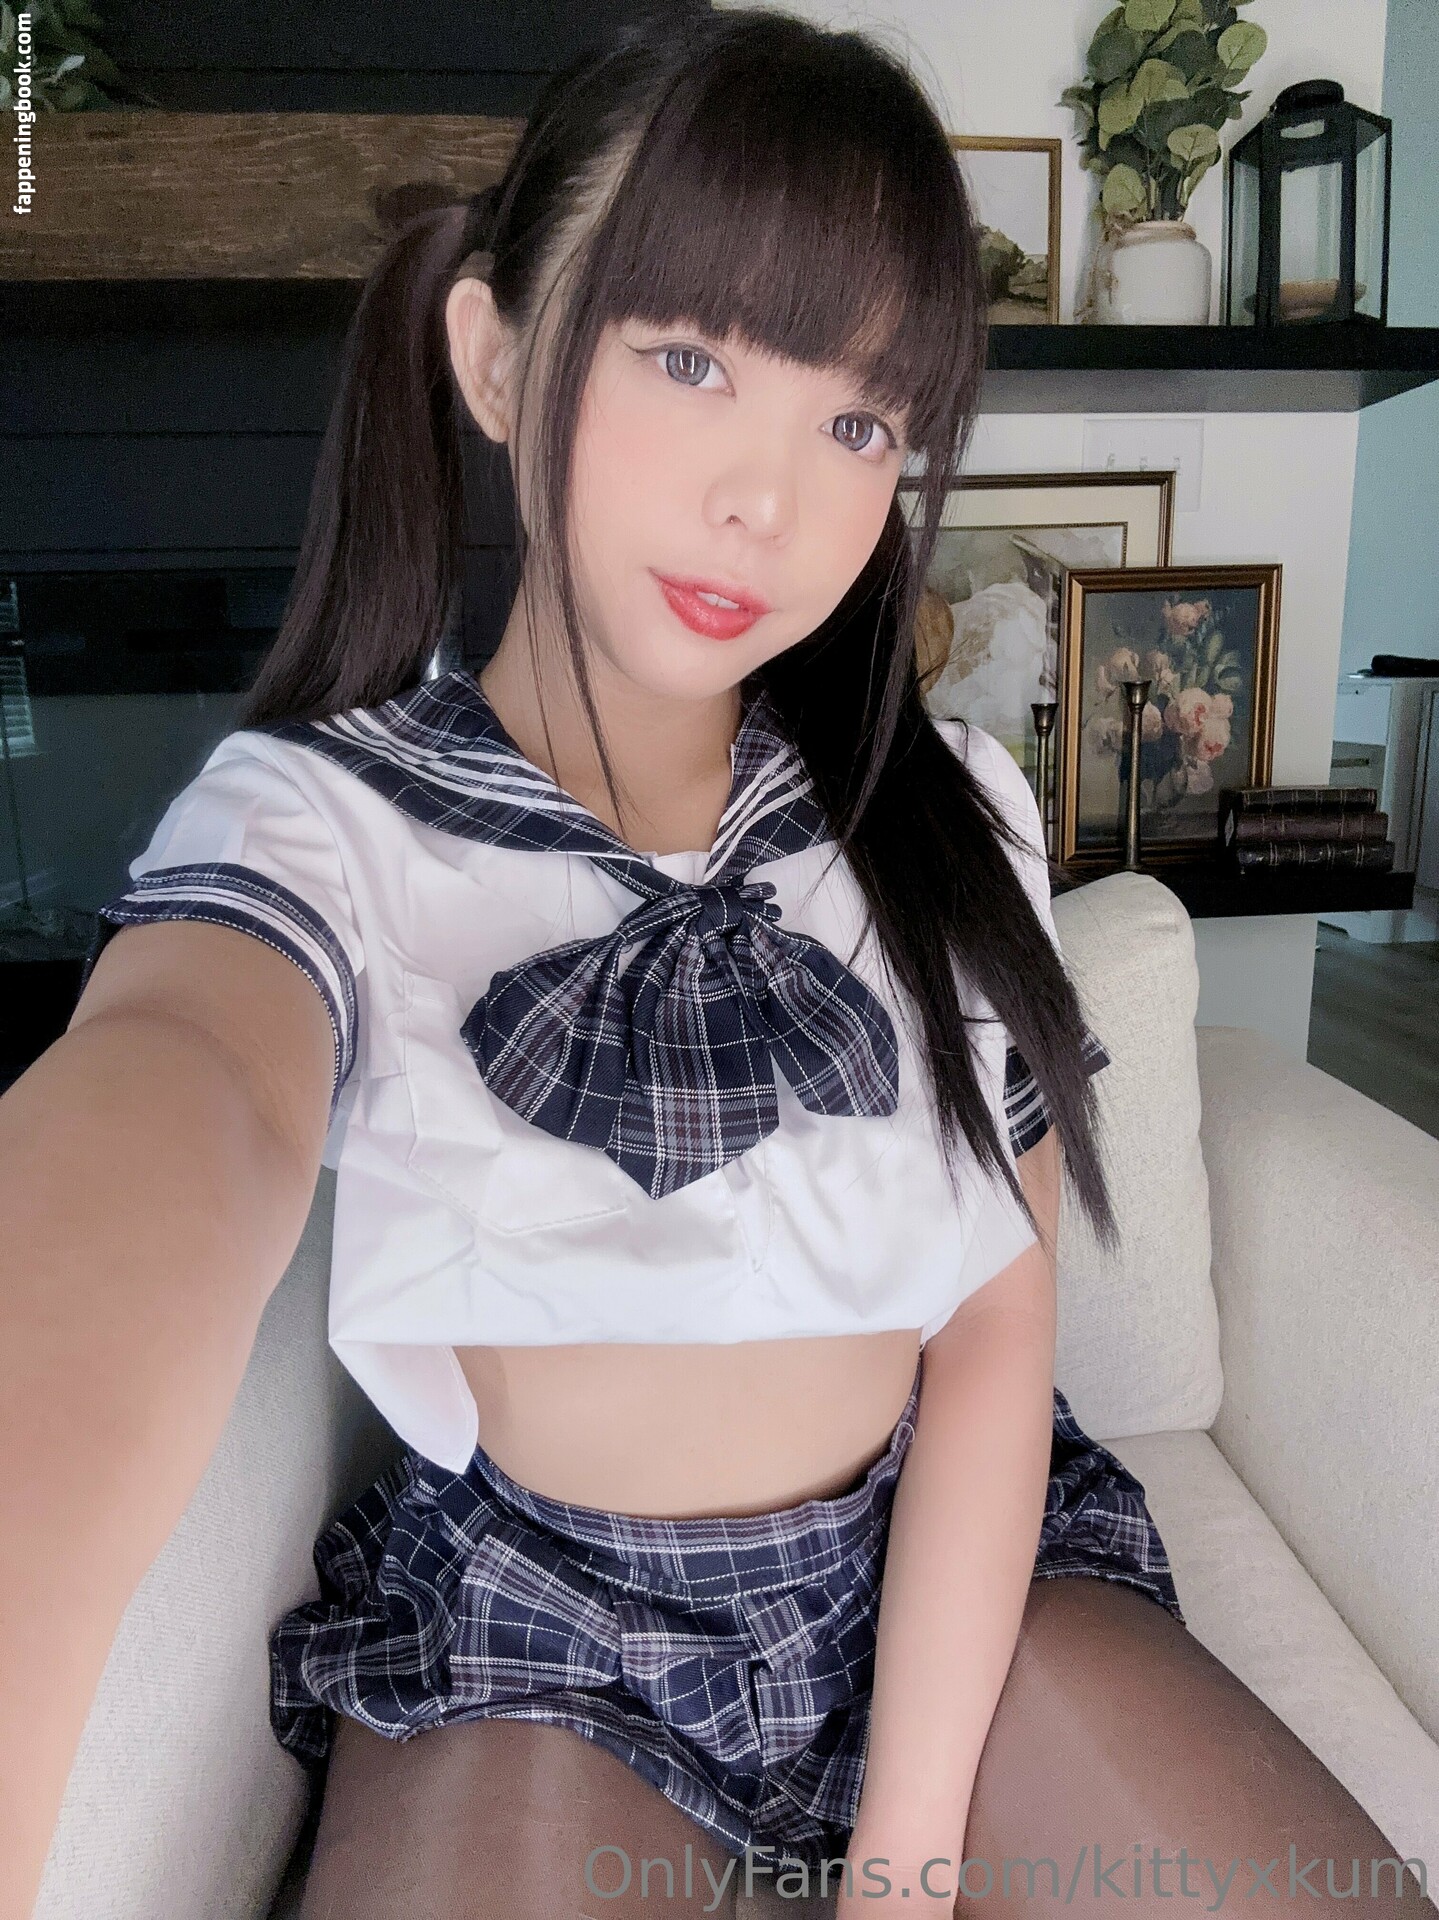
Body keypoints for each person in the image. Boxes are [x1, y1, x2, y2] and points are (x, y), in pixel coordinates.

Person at [4, 12, 1429, 1920]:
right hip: (541, 1633)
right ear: (496, 356)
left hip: (948, 1569)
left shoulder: (945, 811)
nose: (774, 501)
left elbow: (992, 1329)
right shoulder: (319, 826)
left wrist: (904, 1870)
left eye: (859, 422)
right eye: (690, 360)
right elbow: (174, 1090)